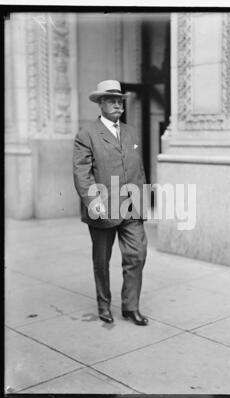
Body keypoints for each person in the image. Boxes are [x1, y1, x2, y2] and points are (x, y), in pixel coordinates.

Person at [73, 80, 149, 326]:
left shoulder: (130, 131)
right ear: (100, 103)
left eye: (120, 101)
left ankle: (130, 307)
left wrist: (142, 203)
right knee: (101, 260)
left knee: (137, 255)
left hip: (131, 206)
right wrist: (94, 202)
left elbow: (139, 169)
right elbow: (82, 173)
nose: (118, 105)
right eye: (112, 101)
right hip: (103, 208)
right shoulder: (87, 134)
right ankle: (104, 305)